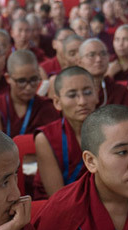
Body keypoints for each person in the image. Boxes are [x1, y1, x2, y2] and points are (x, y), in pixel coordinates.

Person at [34, 66, 97, 199]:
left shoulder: (109, 131)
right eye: (72, 95)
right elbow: (57, 197)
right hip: (64, 208)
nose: (82, 102)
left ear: (96, 95)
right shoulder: (46, 138)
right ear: (57, 102)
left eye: (87, 92)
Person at [0, 50, 59, 138]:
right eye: (21, 81)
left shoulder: (47, 107)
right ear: (8, 78)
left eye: (34, 79)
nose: (28, 87)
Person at [78, 38, 128, 108]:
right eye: (91, 55)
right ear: (80, 62)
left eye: (103, 54)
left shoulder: (119, 91)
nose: (99, 59)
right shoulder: (73, 93)